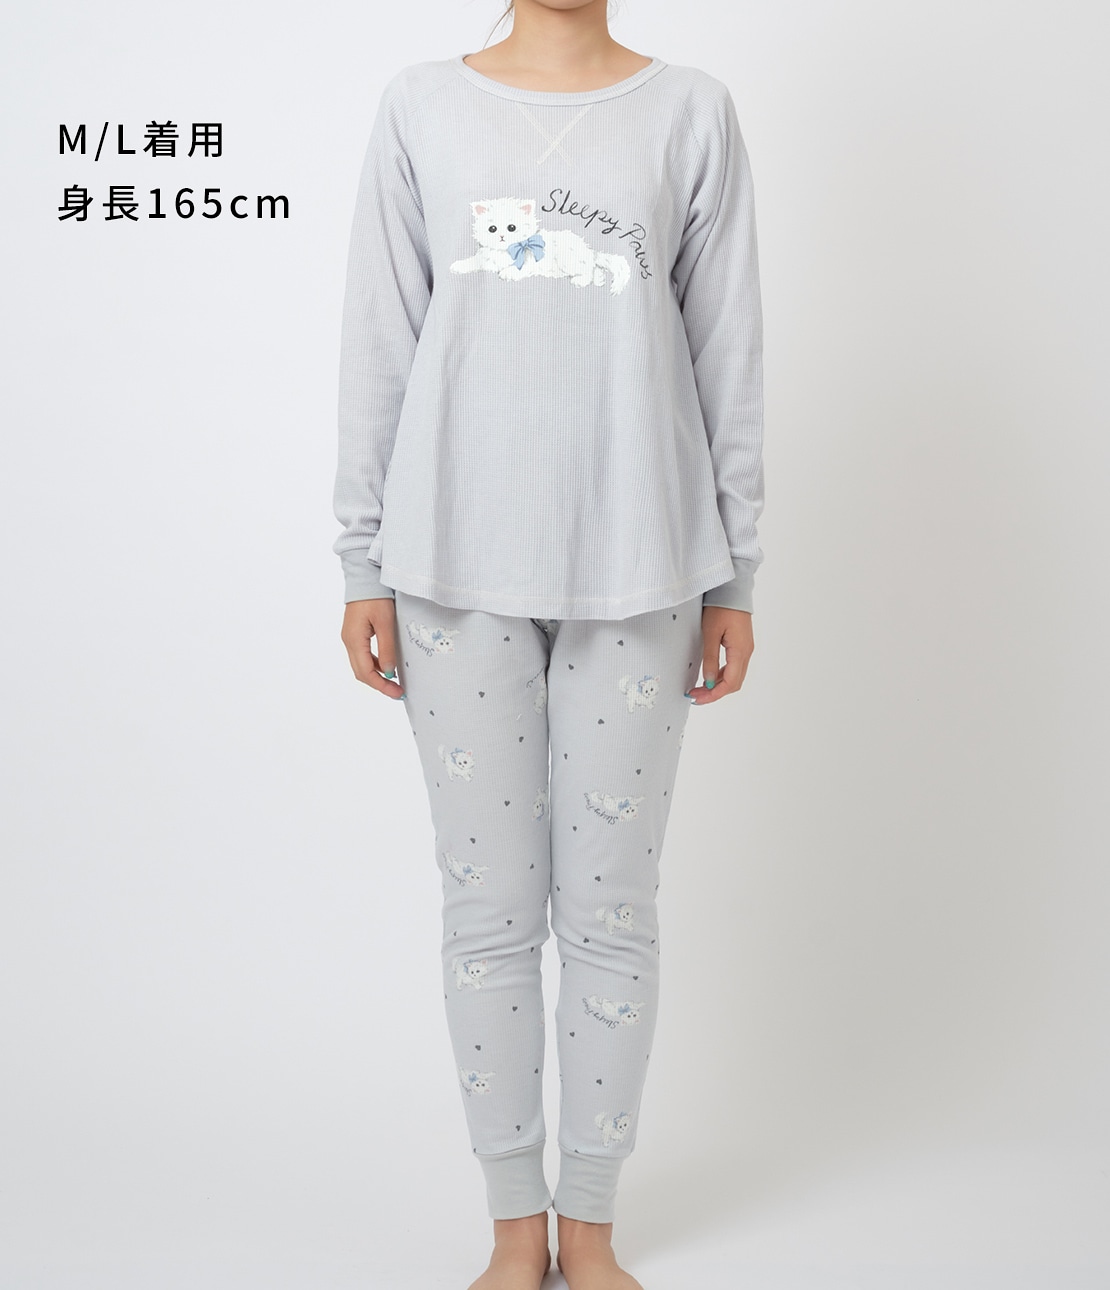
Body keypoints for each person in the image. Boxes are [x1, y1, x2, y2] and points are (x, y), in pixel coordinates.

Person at [333, 1, 765, 1286]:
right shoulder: (422, 105)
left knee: (611, 911)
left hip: (643, 562)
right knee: (488, 912)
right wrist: (361, 554)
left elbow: (729, 348)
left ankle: (594, 1224)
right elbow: (379, 334)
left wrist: (737, 575)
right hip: (450, 562)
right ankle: (516, 1229)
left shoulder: (690, 111)